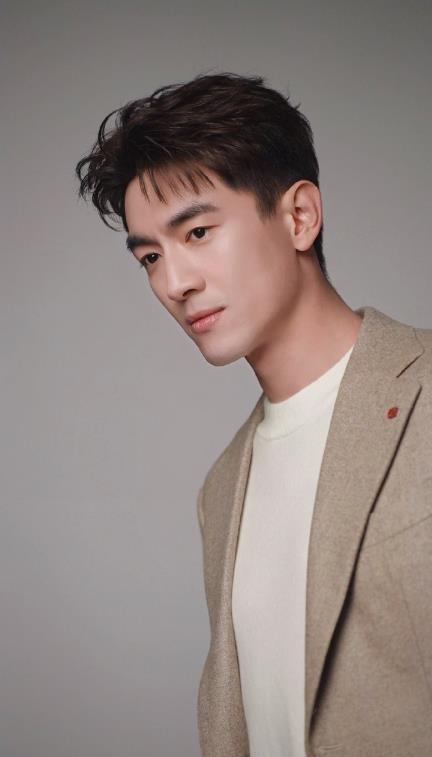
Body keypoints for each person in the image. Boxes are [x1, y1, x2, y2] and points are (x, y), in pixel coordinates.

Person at [75, 71, 432, 757]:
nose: (174, 282)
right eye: (150, 256)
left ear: (299, 216)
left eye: (198, 231)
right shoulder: (221, 490)